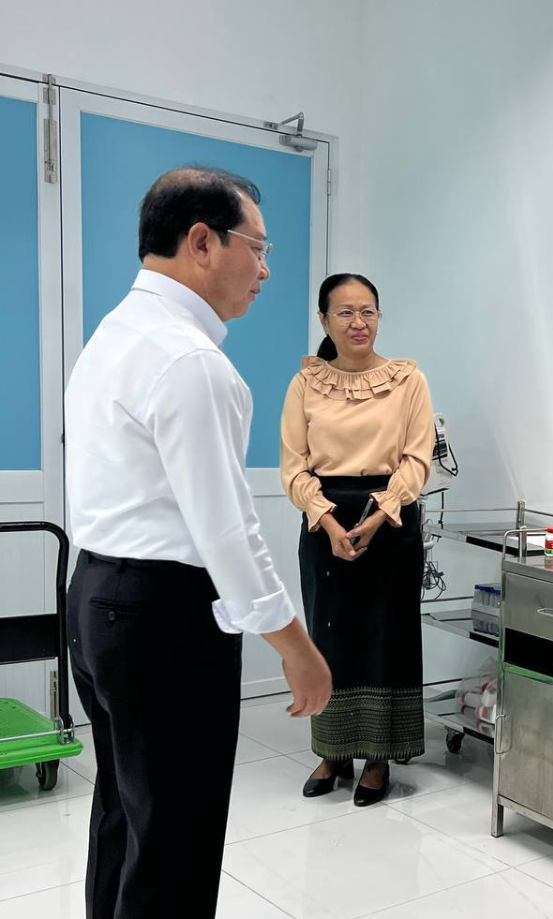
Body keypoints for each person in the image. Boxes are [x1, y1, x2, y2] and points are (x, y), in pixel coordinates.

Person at [64, 167, 332, 919]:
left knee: (126, 815)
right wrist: (296, 646)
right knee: (175, 839)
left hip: (96, 596)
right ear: (202, 242)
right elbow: (228, 530)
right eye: (259, 247)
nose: (266, 270)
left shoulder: (114, 335)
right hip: (163, 616)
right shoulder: (189, 361)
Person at [280, 273, 434, 806]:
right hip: (324, 523)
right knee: (330, 638)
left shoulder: (408, 380)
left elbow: (417, 459)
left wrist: (380, 514)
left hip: (390, 522)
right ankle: (333, 751)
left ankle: (379, 758)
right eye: (345, 312)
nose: (358, 322)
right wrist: (327, 520)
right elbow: (294, 467)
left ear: (379, 317)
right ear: (324, 320)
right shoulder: (306, 383)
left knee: (385, 638)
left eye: (368, 311)